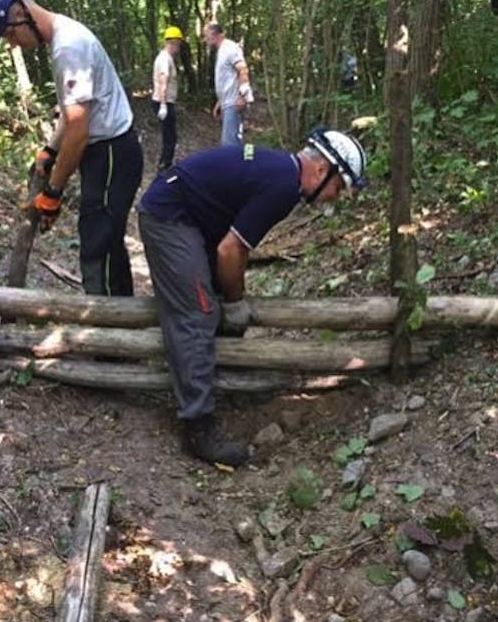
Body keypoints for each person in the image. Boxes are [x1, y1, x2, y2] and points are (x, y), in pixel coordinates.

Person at [136, 130, 368, 466]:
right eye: (339, 187)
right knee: (198, 311)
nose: (335, 197)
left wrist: (228, 296)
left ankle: (213, 379)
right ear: (321, 170)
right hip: (170, 217)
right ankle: (198, 426)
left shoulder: (281, 173)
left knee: (213, 298)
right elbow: (231, 251)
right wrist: (235, 300)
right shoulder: (283, 186)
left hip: (191, 216)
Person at [0, 0, 143, 296]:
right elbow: (72, 114)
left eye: (8, 34)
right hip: (107, 152)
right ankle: (124, 327)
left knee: (97, 246)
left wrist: (53, 192)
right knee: (108, 245)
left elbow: (79, 130)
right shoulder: (62, 38)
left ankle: (106, 338)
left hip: (110, 154)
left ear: (21, 13)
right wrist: (50, 150)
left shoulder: (69, 48)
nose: (11, 43)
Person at [202, 23, 254, 146]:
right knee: (234, 143)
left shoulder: (229, 48)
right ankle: (244, 163)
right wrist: (219, 102)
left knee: (230, 145)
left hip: (234, 102)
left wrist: (242, 96)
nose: (206, 39)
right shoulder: (221, 51)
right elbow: (227, 80)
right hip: (227, 102)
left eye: (207, 35)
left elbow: (243, 70)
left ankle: (239, 165)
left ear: (215, 34)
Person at [152, 26, 183, 171]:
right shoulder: (165, 58)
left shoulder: (165, 57)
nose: (179, 47)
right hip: (163, 102)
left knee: (170, 136)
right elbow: (163, 80)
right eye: (179, 44)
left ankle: (165, 164)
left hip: (165, 102)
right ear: (174, 42)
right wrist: (163, 104)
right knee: (170, 137)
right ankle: (165, 167)